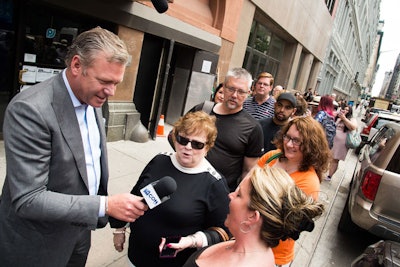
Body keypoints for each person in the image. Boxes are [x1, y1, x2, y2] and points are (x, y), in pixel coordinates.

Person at [0, 27, 148, 267]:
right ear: (77, 65)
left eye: (116, 83)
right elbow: (28, 199)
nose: (111, 92)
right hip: (38, 244)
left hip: (79, 233)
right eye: (104, 81)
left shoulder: (93, 97)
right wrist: (106, 205)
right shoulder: (30, 109)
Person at [110, 111, 231, 267]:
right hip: (135, 256)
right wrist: (119, 228)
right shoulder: (160, 160)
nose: (188, 147)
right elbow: (135, 196)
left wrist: (191, 241)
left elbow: (224, 232)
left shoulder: (214, 183)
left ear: (207, 147)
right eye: (183, 140)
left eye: (197, 144)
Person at [183, 165, 325, 267]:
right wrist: (193, 240)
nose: (230, 196)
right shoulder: (243, 245)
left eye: (238, 195)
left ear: (252, 217)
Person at [257, 116, 331, 266]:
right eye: (287, 137)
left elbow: (287, 224)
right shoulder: (272, 157)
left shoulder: (309, 182)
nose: (289, 144)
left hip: (273, 253)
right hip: (249, 239)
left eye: (297, 141)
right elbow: (247, 185)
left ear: (311, 146)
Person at [189, 68, 264, 192]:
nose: (234, 95)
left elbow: (248, 171)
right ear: (223, 87)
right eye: (231, 89)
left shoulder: (253, 128)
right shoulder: (203, 109)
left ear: (249, 93)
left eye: (241, 92)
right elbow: (176, 135)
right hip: (187, 181)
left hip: (219, 194)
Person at [327, 104, 357, 181]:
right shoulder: (337, 116)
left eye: (347, 110)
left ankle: (330, 175)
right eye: (344, 109)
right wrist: (338, 118)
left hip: (342, 142)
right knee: (328, 156)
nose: (345, 111)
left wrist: (344, 119)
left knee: (335, 159)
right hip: (332, 139)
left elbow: (353, 127)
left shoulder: (351, 119)